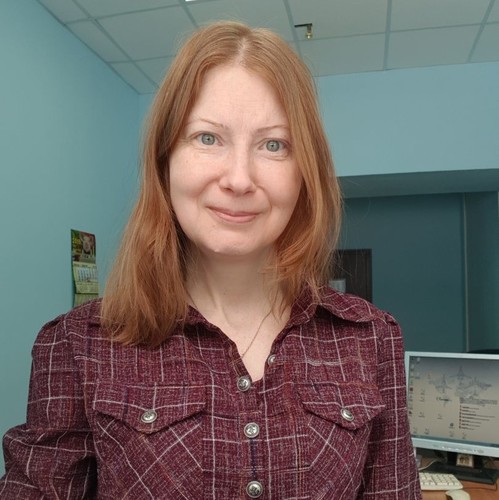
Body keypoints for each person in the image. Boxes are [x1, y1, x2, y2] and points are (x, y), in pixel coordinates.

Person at [0, 21, 421, 499]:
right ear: (165, 160)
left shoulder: (371, 339)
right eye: (207, 138)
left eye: (274, 145)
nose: (239, 179)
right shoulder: (78, 345)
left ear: (306, 172)